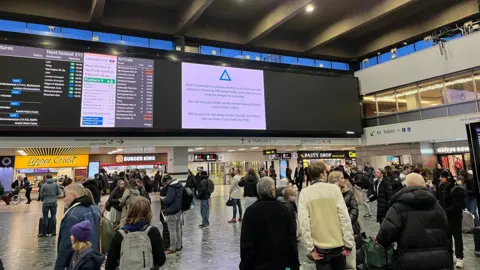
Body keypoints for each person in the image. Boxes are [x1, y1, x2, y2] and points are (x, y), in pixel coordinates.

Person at [376, 173, 453, 269]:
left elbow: (385, 234)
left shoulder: (398, 207)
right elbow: (447, 233)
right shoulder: (437, 206)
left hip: (409, 262)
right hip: (438, 261)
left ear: (406, 186)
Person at [298, 161, 354, 270]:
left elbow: (304, 223)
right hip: (338, 244)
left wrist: (310, 247)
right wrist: (349, 243)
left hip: (319, 247)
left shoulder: (305, 193)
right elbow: (344, 218)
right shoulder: (334, 190)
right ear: (322, 173)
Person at [240, 177, 299, 270]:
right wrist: (294, 265)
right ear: (273, 191)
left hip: (258, 264)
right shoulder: (284, 210)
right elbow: (291, 240)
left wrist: (245, 265)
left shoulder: (250, 212)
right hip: (280, 263)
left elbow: (246, 242)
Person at [105, 197, 166, 270]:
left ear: (129, 211)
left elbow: (109, 266)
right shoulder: (152, 232)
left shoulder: (119, 235)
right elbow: (161, 260)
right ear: (148, 213)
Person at [55, 184, 100, 270]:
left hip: (77, 261)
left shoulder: (73, 214)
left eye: (66, 195)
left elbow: (66, 244)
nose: (64, 199)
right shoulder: (95, 209)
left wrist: (59, 266)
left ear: (73, 195)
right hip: (92, 258)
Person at [438, 170, 467, 268]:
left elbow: (458, 205)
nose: (440, 179)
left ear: (447, 178)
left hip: (455, 217)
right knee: (447, 238)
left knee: (457, 237)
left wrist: (445, 210)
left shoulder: (456, 189)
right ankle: (450, 255)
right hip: (445, 218)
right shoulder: (441, 187)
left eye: (442, 177)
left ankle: (459, 258)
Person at [161, 176, 184, 255]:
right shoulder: (180, 185)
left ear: (167, 181)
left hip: (171, 211)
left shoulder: (171, 187)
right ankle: (178, 246)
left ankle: (172, 248)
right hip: (179, 210)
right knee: (178, 229)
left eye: (165, 183)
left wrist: (163, 199)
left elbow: (168, 200)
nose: (165, 185)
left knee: (172, 231)